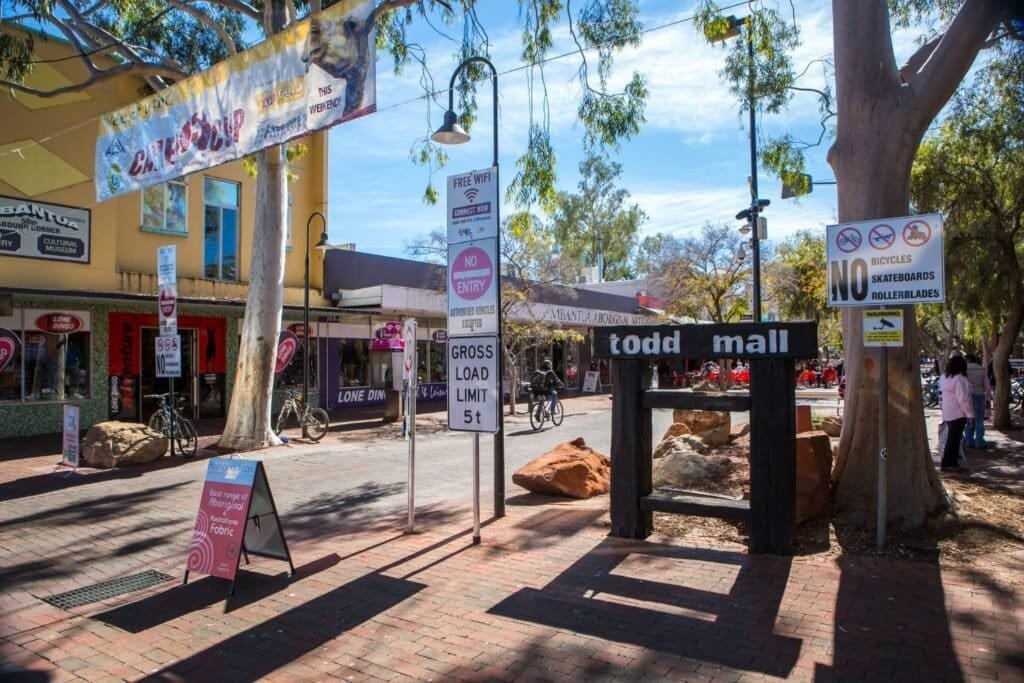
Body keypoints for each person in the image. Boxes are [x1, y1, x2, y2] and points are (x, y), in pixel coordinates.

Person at [940, 354, 973, 472]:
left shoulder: (944, 377)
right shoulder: (959, 378)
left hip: (948, 411)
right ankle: (950, 464)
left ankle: (949, 462)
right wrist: (970, 415)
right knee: (954, 439)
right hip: (958, 412)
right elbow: (963, 399)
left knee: (952, 438)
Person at [963, 353, 991, 449]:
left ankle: (969, 440)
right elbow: (987, 385)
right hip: (979, 394)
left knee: (968, 419)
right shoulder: (982, 369)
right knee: (979, 419)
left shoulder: (964, 370)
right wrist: (988, 398)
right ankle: (979, 441)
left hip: (968, 396)